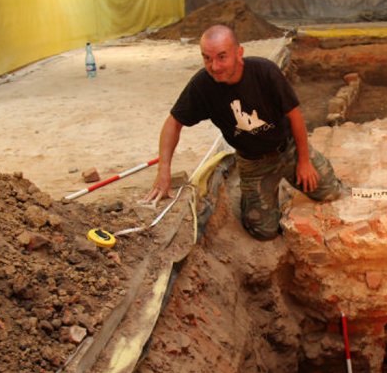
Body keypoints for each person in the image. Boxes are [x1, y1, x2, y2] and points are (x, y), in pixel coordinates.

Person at [144, 24, 344, 240]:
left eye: (222, 57)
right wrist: (163, 171)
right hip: (253, 162)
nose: (215, 66)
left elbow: (295, 116)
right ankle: (256, 194)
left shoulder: (265, 72)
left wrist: (304, 161)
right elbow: (173, 123)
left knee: (330, 191)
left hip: (289, 149)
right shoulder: (203, 85)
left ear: (239, 53)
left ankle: (287, 177)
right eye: (207, 58)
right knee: (263, 231)